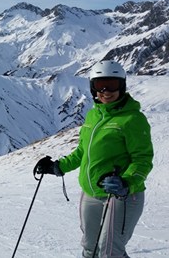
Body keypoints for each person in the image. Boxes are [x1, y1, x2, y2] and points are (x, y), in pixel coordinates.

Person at [35, 60, 154, 258]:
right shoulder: (93, 116)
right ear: (92, 88)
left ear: (122, 85)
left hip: (121, 196)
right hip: (90, 193)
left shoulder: (133, 119)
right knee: (89, 249)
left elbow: (143, 160)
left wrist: (127, 182)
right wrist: (57, 167)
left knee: (110, 252)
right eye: (100, 85)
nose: (106, 91)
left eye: (112, 85)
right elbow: (83, 152)